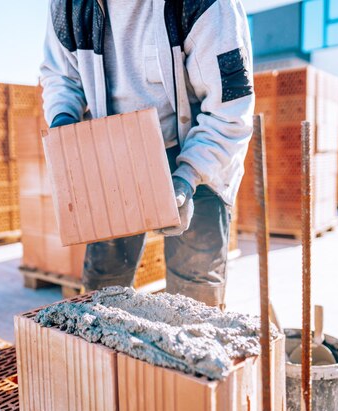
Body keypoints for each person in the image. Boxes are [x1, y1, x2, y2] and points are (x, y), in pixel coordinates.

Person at [40, 0, 254, 308]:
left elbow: (230, 111)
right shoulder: (71, 5)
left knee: (195, 298)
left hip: (196, 146)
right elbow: (61, 76)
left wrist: (188, 177)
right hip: (111, 153)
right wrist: (63, 120)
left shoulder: (208, 5)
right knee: (102, 295)